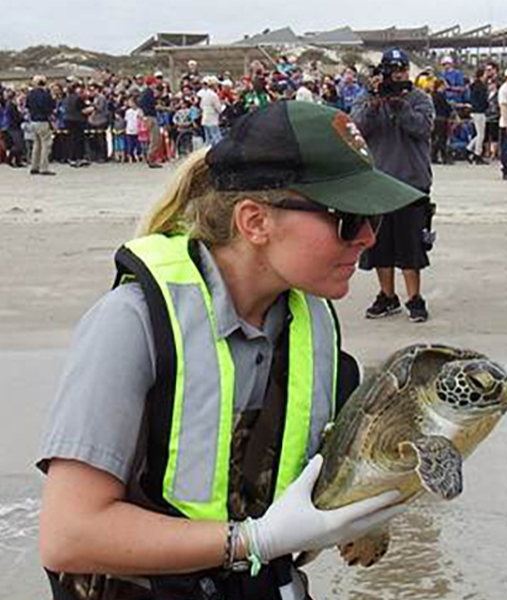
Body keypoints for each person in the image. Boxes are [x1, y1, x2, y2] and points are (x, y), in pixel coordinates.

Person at [36, 100, 420, 600]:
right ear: (254, 221)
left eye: (374, 219)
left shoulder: (312, 326)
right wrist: (254, 540)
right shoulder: (132, 323)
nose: (368, 238)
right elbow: (69, 536)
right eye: (347, 219)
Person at [351, 48, 436, 323]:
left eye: (401, 70)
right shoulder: (367, 98)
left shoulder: (420, 98)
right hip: (378, 183)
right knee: (380, 245)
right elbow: (355, 129)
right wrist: (376, 102)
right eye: (392, 70)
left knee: (412, 244)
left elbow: (422, 128)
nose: (397, 75)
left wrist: (401, 106)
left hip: (412, 182)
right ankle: (387, 295)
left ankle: (415, 297)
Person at [25, 75, 56, 175]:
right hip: (43, 120)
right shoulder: (45, 94)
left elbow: (28, 106)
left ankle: (34, 166)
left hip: (33, 121)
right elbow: (51, 106)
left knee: (36, 144)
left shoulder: (30, 94)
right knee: (45, 145)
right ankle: (44, 167)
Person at [467, 67, 489, 164]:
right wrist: (486, 105)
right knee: (481, 134)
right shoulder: (481, 86)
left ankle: (468, 148)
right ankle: (477, 154)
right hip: (479, 111)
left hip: (475, 110)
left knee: (479, 133)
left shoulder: (474, 86)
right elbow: (482, 99)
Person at [198, 76, 224, 146]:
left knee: (208, 140)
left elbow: (201, 106)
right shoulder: (213, 95)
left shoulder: (205, 94)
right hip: (212, 120)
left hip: (205, 119)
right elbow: (218, 109)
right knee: (216, 139)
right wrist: (223, 107)